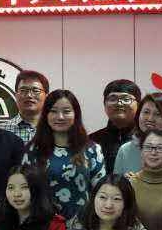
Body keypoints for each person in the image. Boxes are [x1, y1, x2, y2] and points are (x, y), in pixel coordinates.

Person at [22, 89, 106, 220]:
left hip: (82, 225)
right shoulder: (33, 150)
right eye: (53, 111)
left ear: (76, 114)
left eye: (66, 111)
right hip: (42, 224)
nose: (60, 117)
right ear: (46, 115)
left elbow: (102, 192)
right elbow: (25, 190)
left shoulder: (92, 150)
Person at [125, 129, 162, 230]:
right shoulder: (128, 184)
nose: (153, 152)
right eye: (148, 147)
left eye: (160, 148)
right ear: (141, 151)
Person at [89, 79, 142, 176]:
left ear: (138, 105)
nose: (119, 103)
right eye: (113, 99)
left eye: (126, 99)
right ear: (104, 104)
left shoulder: (146, 139)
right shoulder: (91, 141)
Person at [3, 70, 48, 145]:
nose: (29, 95)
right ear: (16, 95)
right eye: (23, 90)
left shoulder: (55, 130)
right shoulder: (0, 132)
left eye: (36, 90)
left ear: (46, 96)